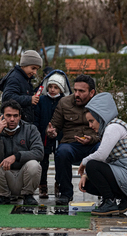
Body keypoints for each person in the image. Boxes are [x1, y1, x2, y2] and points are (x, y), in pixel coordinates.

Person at [78, 93, 127, 216]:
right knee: (88, 184)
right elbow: (105, 160)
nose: (90, 125)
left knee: (92, 165)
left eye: (92, 121)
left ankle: (110, 202)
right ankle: (126, 200)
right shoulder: (112, 127)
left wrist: (84, 162)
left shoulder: (113, 127)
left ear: (101, 117)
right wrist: (86, 176)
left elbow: (101, 156)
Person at [47, 74, 99, 205]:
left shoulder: (100, 103)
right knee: (62, 152)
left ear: (91, 92)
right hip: (71, 144)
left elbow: (108, 130)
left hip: (94, 143)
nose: (77, 94)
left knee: (105, 151)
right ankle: (65, 193)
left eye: (81, 91)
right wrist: (52, 132)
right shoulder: (64, 102)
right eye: (75, 90)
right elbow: (55, 126)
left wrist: (92, 139)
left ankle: (102, 191)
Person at [0, 100, 44, 206]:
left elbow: (39, 153)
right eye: (8, 115)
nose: (12, 119)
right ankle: (3, 196)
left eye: (15, 116)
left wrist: (16, 156)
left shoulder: (30, 130)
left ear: (20, 116)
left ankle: (28, 195)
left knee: (34, 165)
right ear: (2, 117)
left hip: (24, 176)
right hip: (6, 178)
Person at [33, 71, 72, 198]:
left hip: (60, 136)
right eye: (50, 87)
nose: (52, 90)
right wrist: (39, 131)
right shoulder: (42, 100)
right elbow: (37, 117)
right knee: (43, 161)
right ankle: (42, 185)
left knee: (59, 161)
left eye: (56, 87)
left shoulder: (64, 101)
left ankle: (58, 184)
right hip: (43, 136)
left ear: (61, 88)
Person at [0, 50, 43, 122]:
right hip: (13, 123)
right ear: (24, 65)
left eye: (37, 69)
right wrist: (30, 99)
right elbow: (8, 97)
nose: (35, 72)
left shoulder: (25, 78)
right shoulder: (14, 78)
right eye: (33, 68)